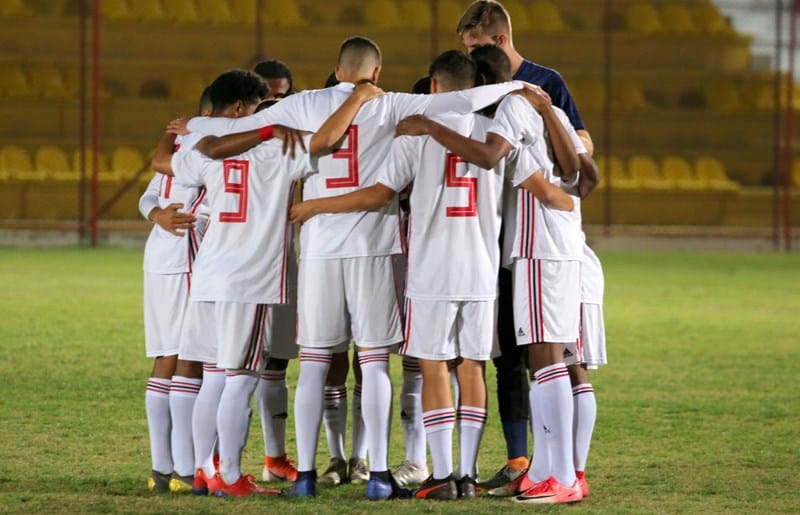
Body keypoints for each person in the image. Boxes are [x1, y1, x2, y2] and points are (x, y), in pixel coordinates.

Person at [182, 35, 524, 501]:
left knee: (317, 365)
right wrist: (518, 92)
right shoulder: (394, 104)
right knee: (375, 362)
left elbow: (226, 133)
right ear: (376, 73)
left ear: (337, 70)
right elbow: (463, 98)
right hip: (376, 246)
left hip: (320, 248)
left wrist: (193, 124)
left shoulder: (305, 103)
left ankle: (303, 474)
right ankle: (380, 474)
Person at [454, 0, 594, 493]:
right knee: (522, 355)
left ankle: (560, 471)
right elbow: (585, 173)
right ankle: (539, 467)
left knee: (548, 355)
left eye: (473, 50)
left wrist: (552, 188)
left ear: (496, 41)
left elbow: (579, 154)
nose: (468, 63)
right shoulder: (522, 98)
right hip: (524, 239)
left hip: (537, 240)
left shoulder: (531, 91)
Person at [140, 87, 212, 493]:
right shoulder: (206, 149)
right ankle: (186, 471)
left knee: (167, 354)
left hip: (162, 258)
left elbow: (149, 190)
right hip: (186, 258)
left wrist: (153, 213)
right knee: (188, 358)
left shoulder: (181, 143)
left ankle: (161, 469)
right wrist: (158, 215)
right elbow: (154, 193)